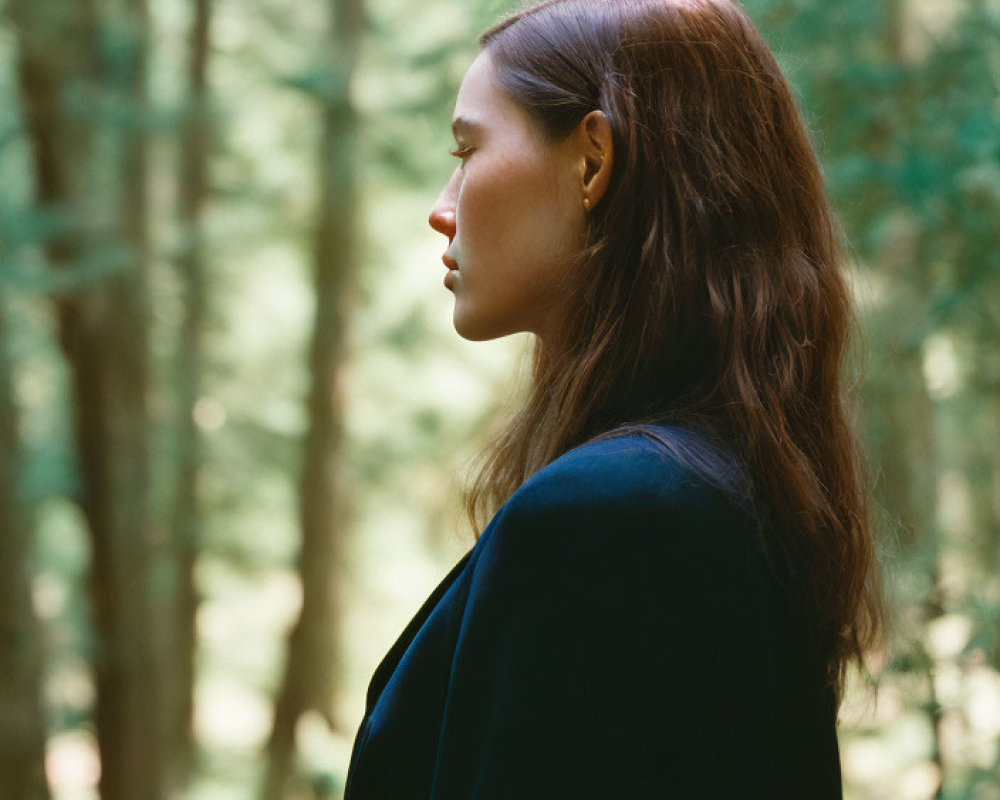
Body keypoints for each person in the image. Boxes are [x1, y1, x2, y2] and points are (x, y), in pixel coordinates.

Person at [344, 0, 883, 797]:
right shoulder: (722, 490)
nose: (442, 206)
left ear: (592, 161)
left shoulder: (608, 517)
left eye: (468, 150)